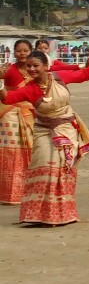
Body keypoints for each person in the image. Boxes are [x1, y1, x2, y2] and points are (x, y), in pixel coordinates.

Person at [0, 49, 89, 225]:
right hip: (44, 131)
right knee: (45, 167)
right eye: (29, 66)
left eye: (35, 65)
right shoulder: (29, 89)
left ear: (46, 67)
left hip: (67, 129)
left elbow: (86, 73)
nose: (31, 69)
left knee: (63, 170)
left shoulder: (59, 78)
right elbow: (8, 98)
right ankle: (39, 214)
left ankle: (63, 213)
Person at [0, 40, 36, 204]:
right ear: (14, 53)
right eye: (19, 51)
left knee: (32, 150)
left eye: (25, 50)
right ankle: (8, 193)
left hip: (31, 113)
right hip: (9, 115)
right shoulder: (9, 70)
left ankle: (29, 189)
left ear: (31, 52)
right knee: (10, 151)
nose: (22, 53)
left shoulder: (35, 70)